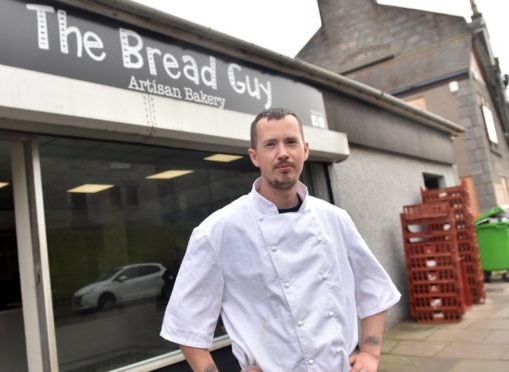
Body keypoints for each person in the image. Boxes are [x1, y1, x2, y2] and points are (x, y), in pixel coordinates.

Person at [160, 108, 401, 372]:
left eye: (291, 142)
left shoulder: (335, 219)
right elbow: (185, 323)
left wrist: (370, 352)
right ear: (255, 156)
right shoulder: (218, 231)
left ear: (305, 150)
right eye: (271, 144)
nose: (283, 152)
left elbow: (375, 289)